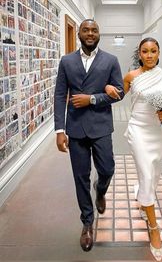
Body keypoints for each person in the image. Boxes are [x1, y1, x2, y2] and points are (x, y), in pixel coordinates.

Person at [105, 37, 162, 261]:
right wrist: (109, 88)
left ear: (159, 53)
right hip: (138, 131)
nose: (149, 55)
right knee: (146, 175)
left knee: (154, 175)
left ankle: (143, 196)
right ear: (139, 54)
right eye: (145, 51)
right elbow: (118, 96)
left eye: (153, 51)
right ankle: (154, 228)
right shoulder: (131, 77)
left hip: (160, 132)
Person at [54, 19, 124, 252]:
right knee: (80, 178)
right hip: (75, 128)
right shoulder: (66, 62)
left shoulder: (110, 61)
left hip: (101, 126)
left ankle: (101, 189)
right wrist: (59, 130)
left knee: (107, 169)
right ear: (79, 34)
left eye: (94, 30)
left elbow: (120, 93)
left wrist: (92, 98)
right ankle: (87, 223)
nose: (90, 33)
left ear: (99, 34)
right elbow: (59, 95)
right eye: (86, 30)